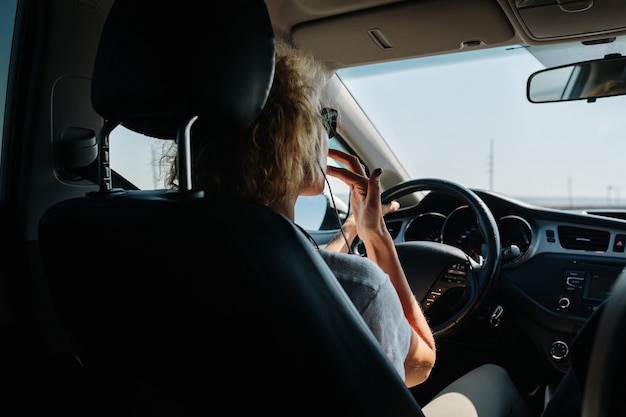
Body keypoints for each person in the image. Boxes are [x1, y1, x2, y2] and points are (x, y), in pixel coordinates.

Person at [167, 39, 534, 417]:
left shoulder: (156, 251)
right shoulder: (362, 289)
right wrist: (378, 238)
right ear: (292, 142)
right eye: (320, 121)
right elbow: (419, 364)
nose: (325, 136)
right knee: (495, 379)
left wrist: (355, 229)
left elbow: (302, 269)